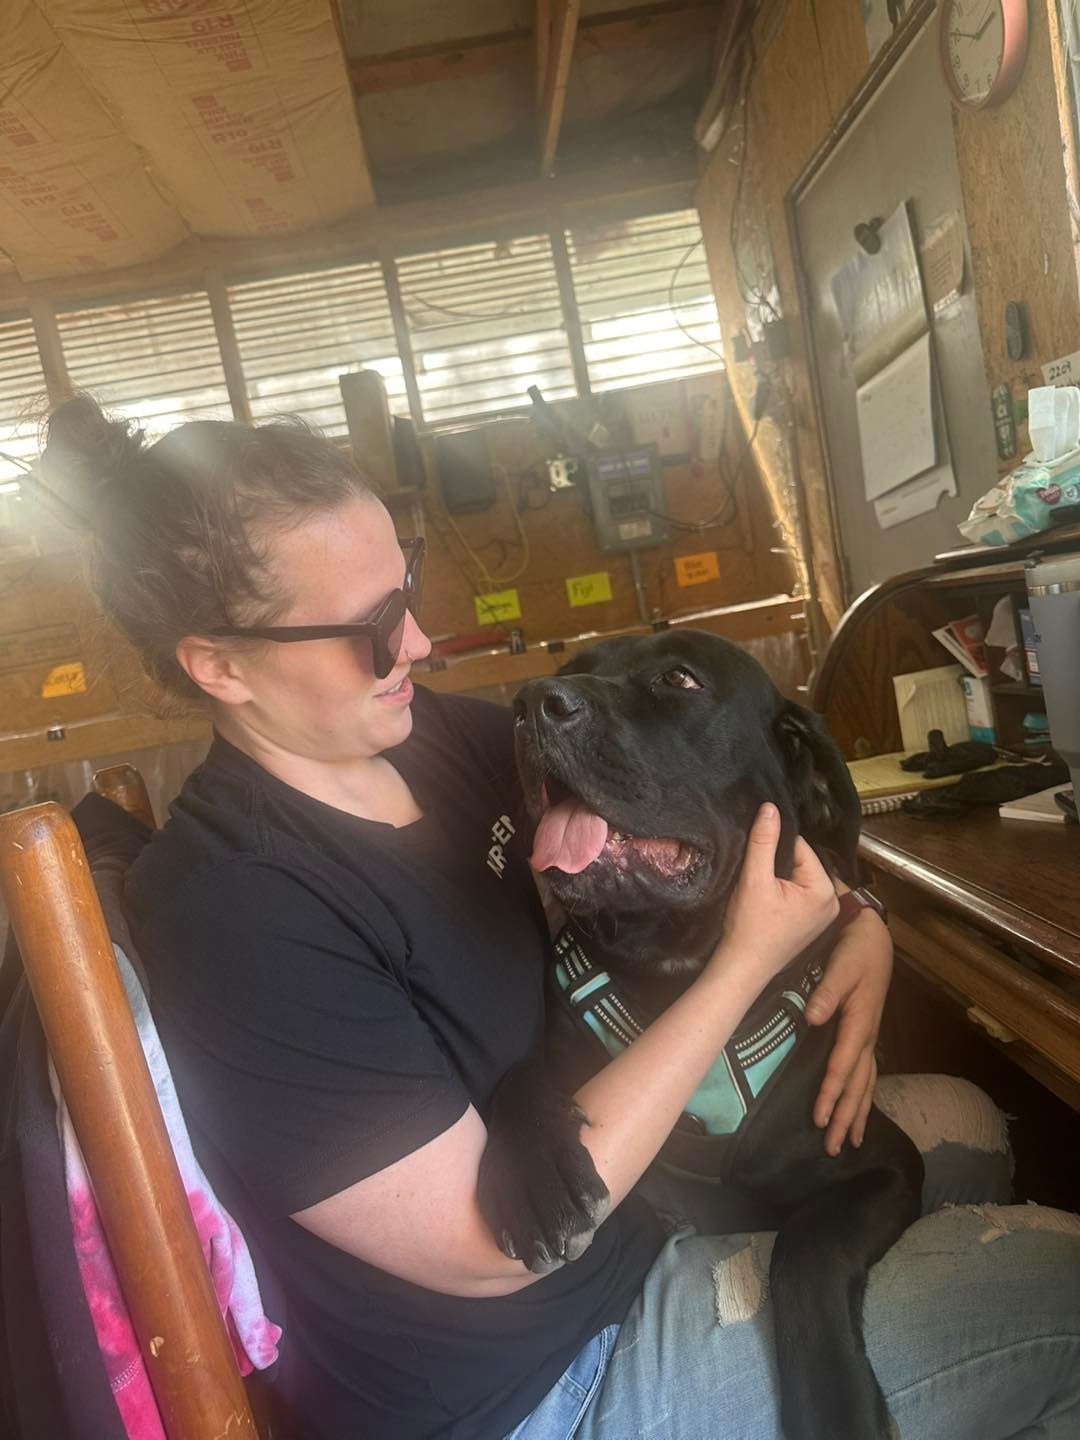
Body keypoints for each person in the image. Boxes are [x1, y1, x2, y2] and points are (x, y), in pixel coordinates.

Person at [44, 395, 1080, 1440]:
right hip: (526, 1383)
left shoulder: (431, 744)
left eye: (405, 590)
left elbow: (678, 791)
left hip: (627, 1230)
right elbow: (493, 1247)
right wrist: (745, 967)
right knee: (1061, 1296)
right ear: (218, 664)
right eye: (369, 630)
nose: (419, 642)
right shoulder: (232, 908)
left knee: (974, 1125)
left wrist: (858, 917)